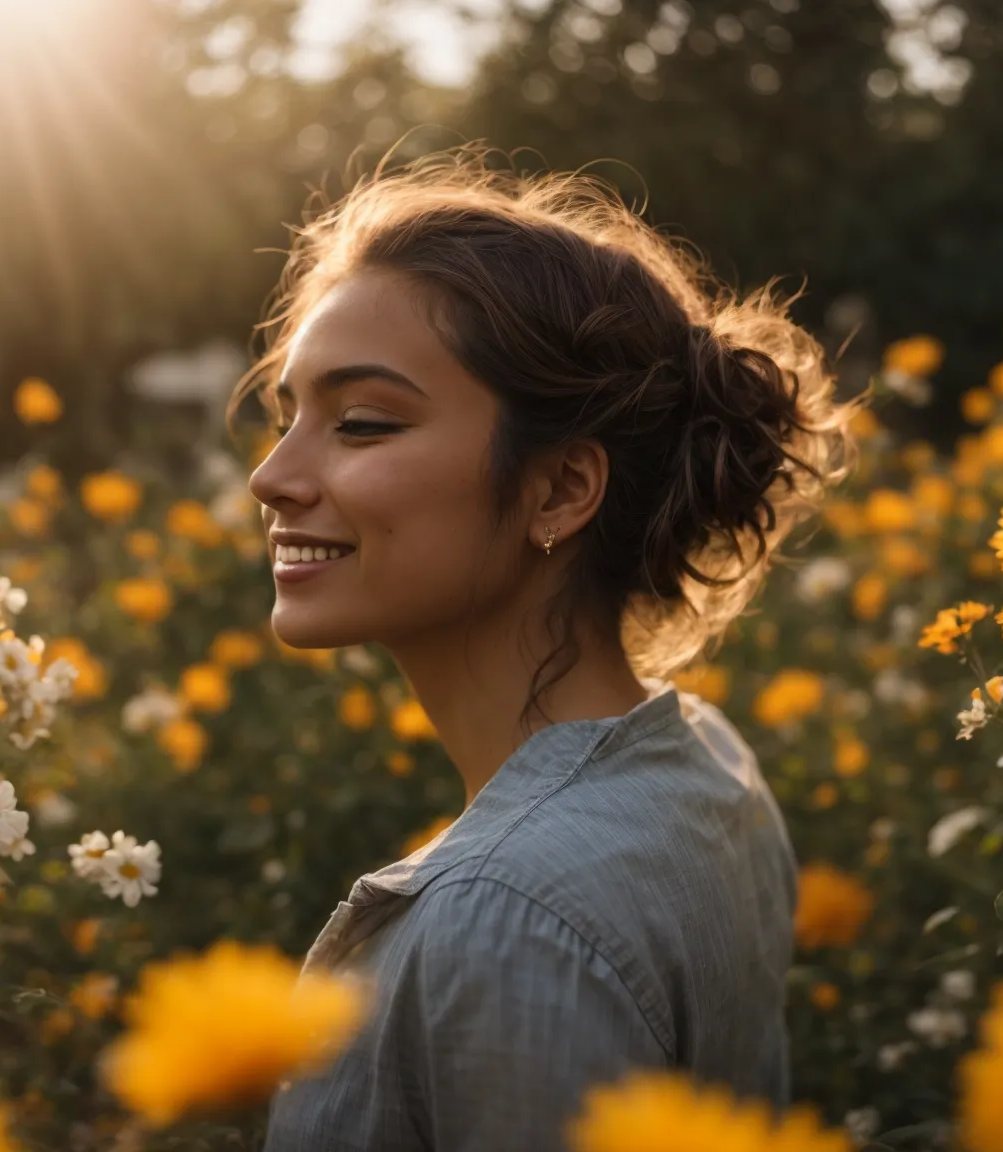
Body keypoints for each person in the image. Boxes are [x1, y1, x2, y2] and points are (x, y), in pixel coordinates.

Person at [238, 146, 852, 1151]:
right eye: (285, 415)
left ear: (562, 490)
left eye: (358, 422)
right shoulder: (702, 762)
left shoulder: (502, 918)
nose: (271, 476)